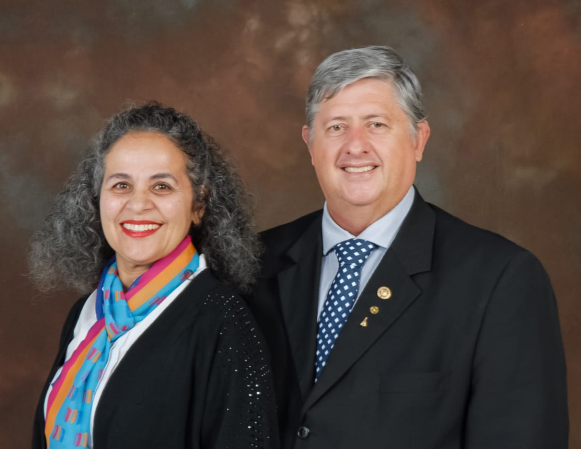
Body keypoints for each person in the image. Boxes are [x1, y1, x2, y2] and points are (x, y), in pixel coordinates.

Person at [248, 46, 568, 448]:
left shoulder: (499, 279)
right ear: (310, 143)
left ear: (419, 139)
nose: (356, 146)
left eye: (377, 124)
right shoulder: (252, 263)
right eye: (336, 127)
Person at [29, 102, 278, 449]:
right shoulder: (86, 314)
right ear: (96, 199)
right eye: (121, 185)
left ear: (199, 204)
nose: (138, 204)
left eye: (161, 187)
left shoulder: (223, 322)